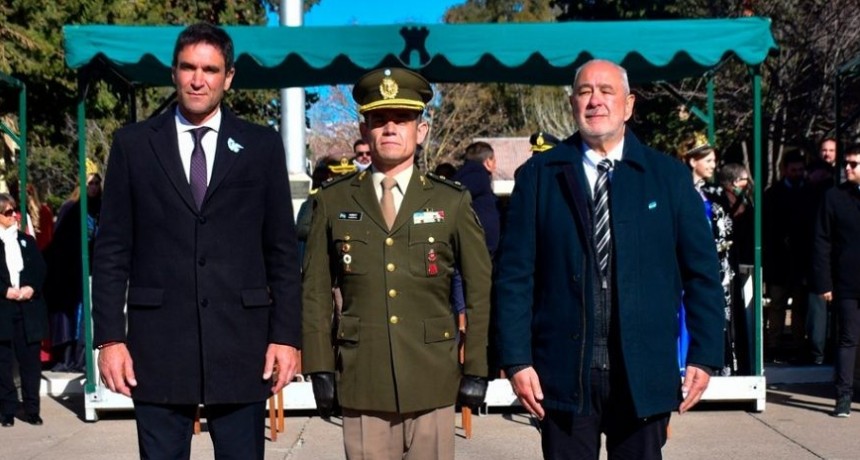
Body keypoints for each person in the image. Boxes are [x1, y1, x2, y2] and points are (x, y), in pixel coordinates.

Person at [494, 59, 724, 459]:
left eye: (606, 91)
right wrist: (516, 359)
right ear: (571, 103)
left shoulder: (667, 177)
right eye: (585, 92)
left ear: (629, 105)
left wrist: (705, 354)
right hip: (562, 377)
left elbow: (702, 273)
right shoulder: (539, 176)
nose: (595, 101)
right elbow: (514, 277)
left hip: (642, 375)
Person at [91, 23, 301, 459]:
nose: (198, 79)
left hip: (242, 346)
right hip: (158, 348)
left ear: (229, 76)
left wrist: (286, 337)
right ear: (174, 72)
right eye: (188, 67)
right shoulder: (133, 146)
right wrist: (110, 338)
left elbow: (281, 250)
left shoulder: (261, 145)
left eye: (210, 69)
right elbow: (112, 250)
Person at [302, 67, 492, 459]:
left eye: (402, 119)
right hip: (362, 377)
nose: (390, 128)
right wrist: (319, 365)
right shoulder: (333, 201)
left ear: (420, 130)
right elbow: (316, 291)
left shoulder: (450, 201)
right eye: (379, 119)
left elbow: (479, 288)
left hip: (432, 380)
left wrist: (475, 365)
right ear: (365, 129)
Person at [677, 133, 737, 375]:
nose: (714, 166)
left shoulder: (711, 193)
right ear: (693, 161)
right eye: (709, 161)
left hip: (712, 264)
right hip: (684, 264)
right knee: (685, 313)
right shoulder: (680, 190)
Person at [811, 144, 860, 417]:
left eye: (854, 164)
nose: (848, 168)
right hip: (847, 280)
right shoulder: (834, 197)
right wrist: (824, 282)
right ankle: (843, 395)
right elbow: (822, 241)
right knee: (848, 338)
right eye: (847, 164)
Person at [44, 168, 102, 373]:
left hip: (96, 269)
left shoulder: (102, 207)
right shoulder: (71, 208)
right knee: (75, 316)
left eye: (96, 183)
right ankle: (71, 357)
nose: (93, 187)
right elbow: (61, 241)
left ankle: (86, 358)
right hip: (73, 271)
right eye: (90, 183)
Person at [763, 151, 816, 363]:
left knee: (800, 306)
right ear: (785, 170)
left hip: (802, 261)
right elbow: (768, 229)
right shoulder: (773, 194)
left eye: (801, 170)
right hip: (779, 261)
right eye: (793, 170)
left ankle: (798, 344)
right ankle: (773, 345)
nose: (797, 174)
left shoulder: (810, 193)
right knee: (777, 305)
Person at [0, 193, 47, 427]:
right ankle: (7, 410)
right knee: (3, 363)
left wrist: (31, 287)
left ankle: (32, 409)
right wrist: (3, 291)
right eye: (8, 213)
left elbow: (40, 269)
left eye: (14, 211)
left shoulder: (26, 241)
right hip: (4, 309)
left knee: (30, 362)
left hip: (27, 308)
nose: (14, 216)